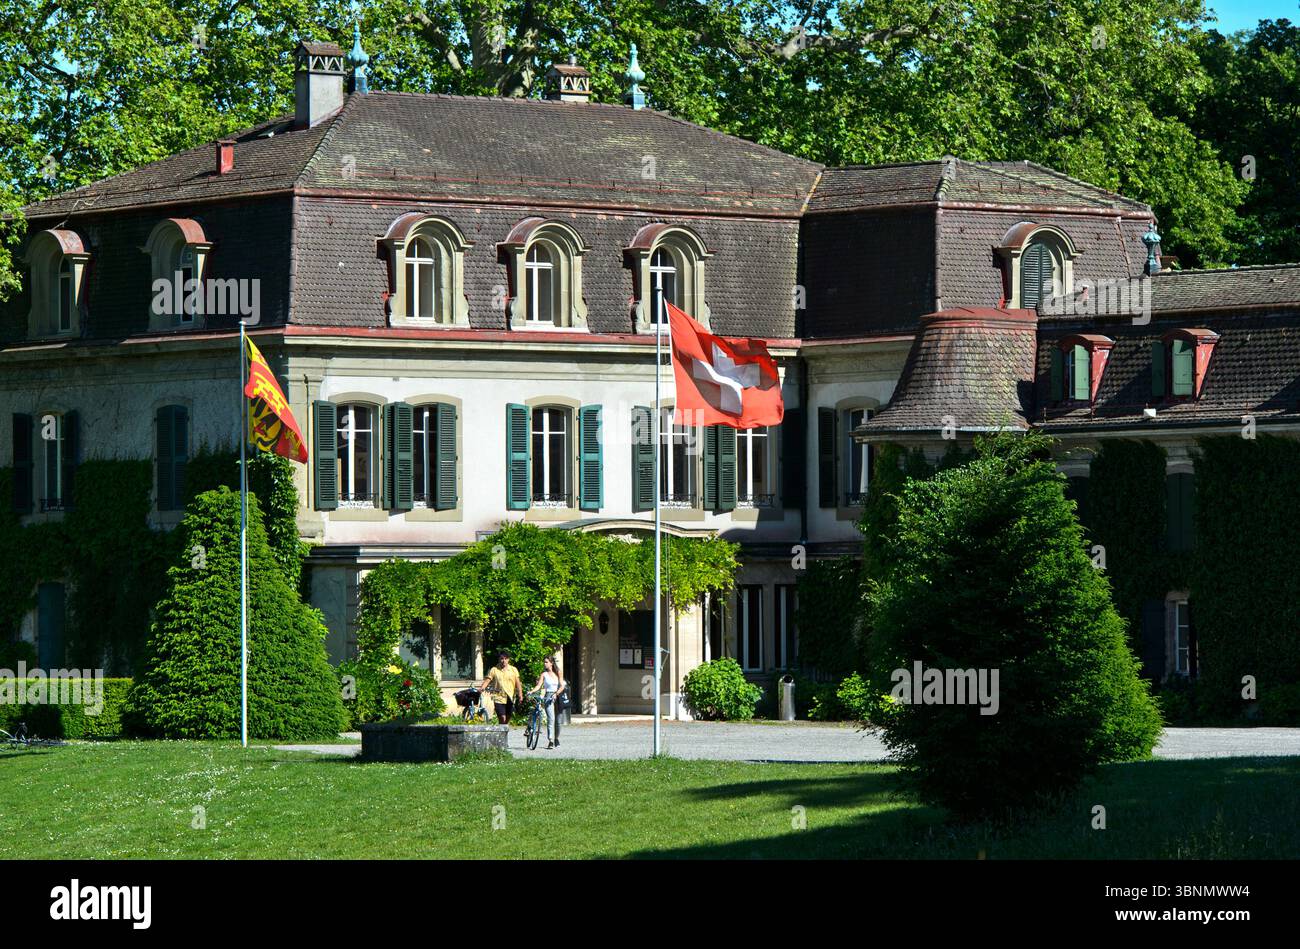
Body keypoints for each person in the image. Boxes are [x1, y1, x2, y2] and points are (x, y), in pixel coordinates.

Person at [527, 655, 567, 749]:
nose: (544, 664)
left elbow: (562, 686)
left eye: (546, 662)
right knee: (551, 719)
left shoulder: (558, 672)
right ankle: (551, 740)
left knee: (558, 721)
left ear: (551, 663)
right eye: (544, 662)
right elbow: (539, 686)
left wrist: (556, 694)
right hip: (548, 696)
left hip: (558, 696)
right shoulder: (543, 674)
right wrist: (532, 691)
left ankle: (556, 738)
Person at [481, 651, 524, 725]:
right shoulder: (494, 670)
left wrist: (520, 694)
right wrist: (482, 688)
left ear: (508, 659)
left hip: (510, 696)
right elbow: (488, 680)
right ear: (499, 659)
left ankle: (503, 730)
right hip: (498, 697)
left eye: (505, 659)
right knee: (502, 717)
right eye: (502, 659)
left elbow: (518, 683)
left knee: (508, 717)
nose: (503, 661)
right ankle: (502, 730)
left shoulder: (513, 669)